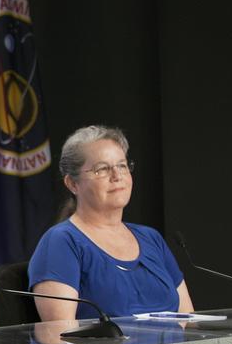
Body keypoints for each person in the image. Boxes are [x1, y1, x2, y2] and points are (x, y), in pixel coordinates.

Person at [29, 125, 194, 320]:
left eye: (122, 165)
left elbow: (188, 319)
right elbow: (59, 337)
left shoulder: (151, 238)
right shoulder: (61, 242)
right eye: (102, 169)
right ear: (73, 184)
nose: (117, 176)